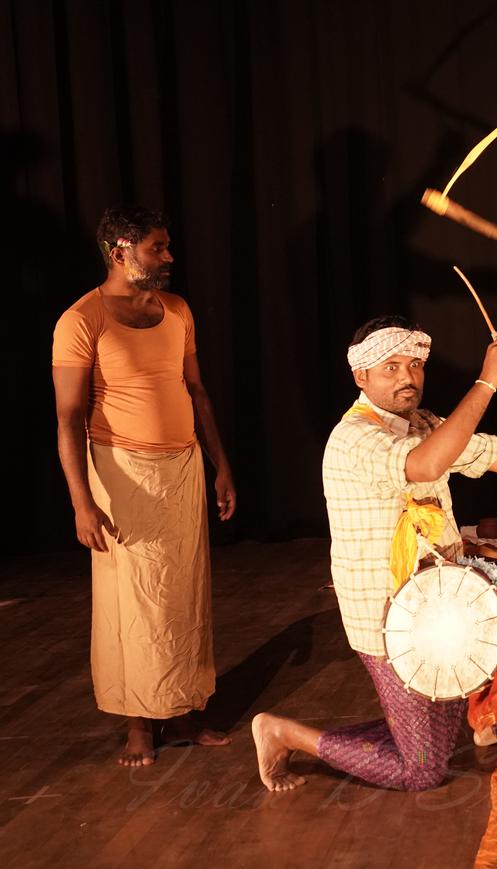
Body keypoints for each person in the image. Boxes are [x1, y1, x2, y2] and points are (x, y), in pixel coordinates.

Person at [252, 316, 497, 791]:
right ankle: (283, 732)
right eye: (390, 367)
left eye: (414, 364)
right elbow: (425, 463)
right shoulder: (354, 438)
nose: (407, 377)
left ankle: (478, 720)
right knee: (423, 769)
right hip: (391, 619)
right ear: (360, 376)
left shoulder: (424, 422)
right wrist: (487, 381)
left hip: (441, 604)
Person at [51, 205, 236, 767]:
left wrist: (220, 464)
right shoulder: (80, 320)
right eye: (158, 248)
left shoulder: (176, 309)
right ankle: (138, 720)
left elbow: (197, 392)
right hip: (120, 471)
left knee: (182, 594)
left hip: (182, 467)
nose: (169, 257)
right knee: (131, 599)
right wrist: (81, 500)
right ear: (120, 251)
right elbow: (68, 418)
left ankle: (181, 712)